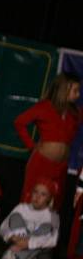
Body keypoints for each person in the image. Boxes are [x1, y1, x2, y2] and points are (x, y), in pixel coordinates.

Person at [13, 72, 80, 209]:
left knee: (54, 203)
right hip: (42, 164)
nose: (78, 94)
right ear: (64, 89)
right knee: (31, 200)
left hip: (61, 167)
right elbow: (19, 122)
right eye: (75, 90)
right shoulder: (44, 107)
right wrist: (31, 146)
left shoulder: (75, 112)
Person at [0, 179, 59, 259]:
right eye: (35, 192)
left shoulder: (52, 216)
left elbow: (53, 240)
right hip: (19, 241)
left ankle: (14, 254)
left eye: (43, 194)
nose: (37, 197)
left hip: (38, 253)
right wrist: (11, 236)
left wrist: (29, 243)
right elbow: (3, 228)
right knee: (15, 217)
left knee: (46, 227)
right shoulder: (21, 208)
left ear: (49, 198)